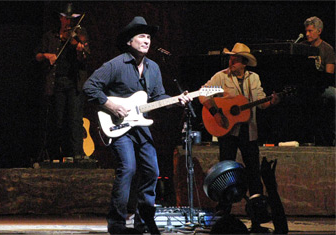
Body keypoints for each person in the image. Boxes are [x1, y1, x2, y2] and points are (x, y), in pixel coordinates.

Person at [82, 16, 192, 234]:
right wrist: (111, 106)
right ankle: (117, 223)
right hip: (118, 127)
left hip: (140, 127)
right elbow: (89, 87)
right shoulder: (115, 64)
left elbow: (158, 98)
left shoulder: (154, 68)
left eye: (149, 36)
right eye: (141, 36)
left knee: (152, 170)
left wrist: (177, 101)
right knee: (128, 168)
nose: (146, 40)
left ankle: (144, 222)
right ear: (129, 41)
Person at [199, 43, 280, 231]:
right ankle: (223, 211)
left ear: (244, 62)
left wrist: (271, 102)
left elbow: (261, 103)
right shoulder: (221, 76)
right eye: (231, 58)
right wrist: (216, 112)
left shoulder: (254, 78)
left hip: (248, 130)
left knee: (253, 171)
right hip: (227, 130)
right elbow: (203, 93)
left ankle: (258, 213)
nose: (231, 61)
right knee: (225, 170)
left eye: (235, 59)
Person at [35, 3, 90, 162]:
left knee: (75, 120)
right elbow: (37, 55)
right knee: (58, 120)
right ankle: (58, 155)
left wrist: (80, 51)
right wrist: (47, 55)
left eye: (72, 19)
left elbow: (86, 57)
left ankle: (77, 155)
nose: (69, 22)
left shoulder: (80, 33)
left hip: (74, 83)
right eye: (66, 18)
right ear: (60, 18)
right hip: (56, 83)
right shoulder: (50, 36)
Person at [300, 16, 335, 145]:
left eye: (310, 31)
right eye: (306, 31)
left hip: (321, 87)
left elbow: (329, 75)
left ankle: (333, 138)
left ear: (319, 31)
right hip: (303, 86)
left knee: (334, 96)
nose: (307, 34)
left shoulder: (327, 49)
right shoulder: (301, 47)